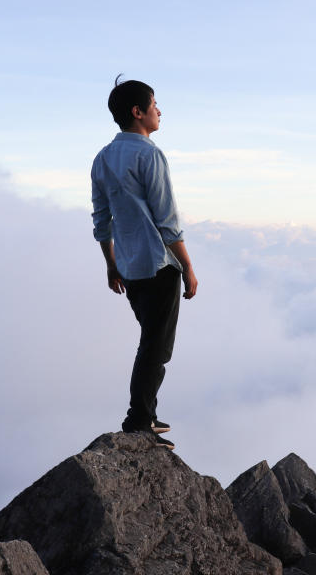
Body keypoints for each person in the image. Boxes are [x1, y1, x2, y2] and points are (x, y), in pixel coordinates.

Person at [91, 75, 198, 450]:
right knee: (156, 347)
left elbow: (101, 218)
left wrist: (111, 263)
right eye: (154, 105)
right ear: (138, 112)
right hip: (158, 264)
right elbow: (167, 222)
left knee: (149, 342)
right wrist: (187, 268)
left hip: (131, 267)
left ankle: (145, 414)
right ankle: (139, 420)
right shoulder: (150, 155)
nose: (159, 111)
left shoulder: (103, 158)